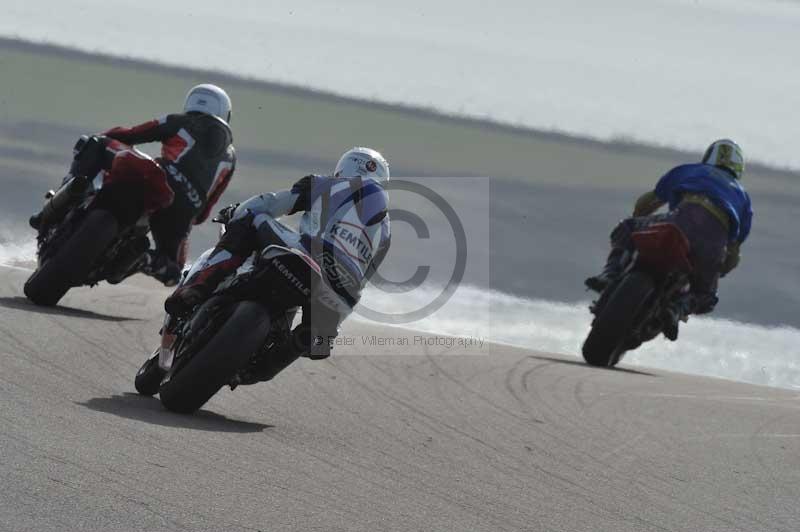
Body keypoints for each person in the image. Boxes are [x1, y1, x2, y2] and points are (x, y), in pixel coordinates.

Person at [159, 147, 391, 380]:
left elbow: (270, 203)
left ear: (344, 167)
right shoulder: (386, 232)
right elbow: (364, 280)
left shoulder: (325, 184)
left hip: (308, 255)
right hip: (343, 289)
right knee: (315, 339)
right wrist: (331, 329)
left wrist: (236, 212)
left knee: (251, 217)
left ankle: (200, 286)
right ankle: (305, 341)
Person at [30, 84, 236, 285]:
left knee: (94, 142)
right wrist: (188, 211)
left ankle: (65, 196)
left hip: (157, 177)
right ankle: (144, 260)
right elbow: (206, 210)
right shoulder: (230, 158)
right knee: (174, 270)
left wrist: (108, 138)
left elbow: (131, 134)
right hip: (186, 209)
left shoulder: (181, 122)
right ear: (225, 113)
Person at [585, 139, 753, 340]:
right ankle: (677, 308)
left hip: (679, 222)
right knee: (706, 296)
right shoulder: (743, 197)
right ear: (738, 167)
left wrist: (639, 219)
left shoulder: (691, 170)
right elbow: (733, 255)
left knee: (627, 227)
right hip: (711, 245)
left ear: (709, 157)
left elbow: (646, 203)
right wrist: (715, 271)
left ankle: (610, 274)